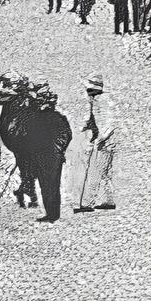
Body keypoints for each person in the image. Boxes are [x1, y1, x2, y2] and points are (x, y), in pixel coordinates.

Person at [15, 84, 73, 223]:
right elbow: (65, 136)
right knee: (49, 185)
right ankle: (51, 214)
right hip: (48, 157)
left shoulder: (46, 118)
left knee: (48, 185)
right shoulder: (48, 118)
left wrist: (55, 149)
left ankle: (52, 214)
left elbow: (65, 136)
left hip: (47, 157)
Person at [74, 73, 119, 213]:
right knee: (105, 172)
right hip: (108, 141)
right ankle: (108, 200)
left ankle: (87, 204)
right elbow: (96, 120)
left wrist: (100, 138)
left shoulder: (102, 100)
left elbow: (110, 122)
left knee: (95, 171)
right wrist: (86, 126)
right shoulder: (97, 100)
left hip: (105, 142)